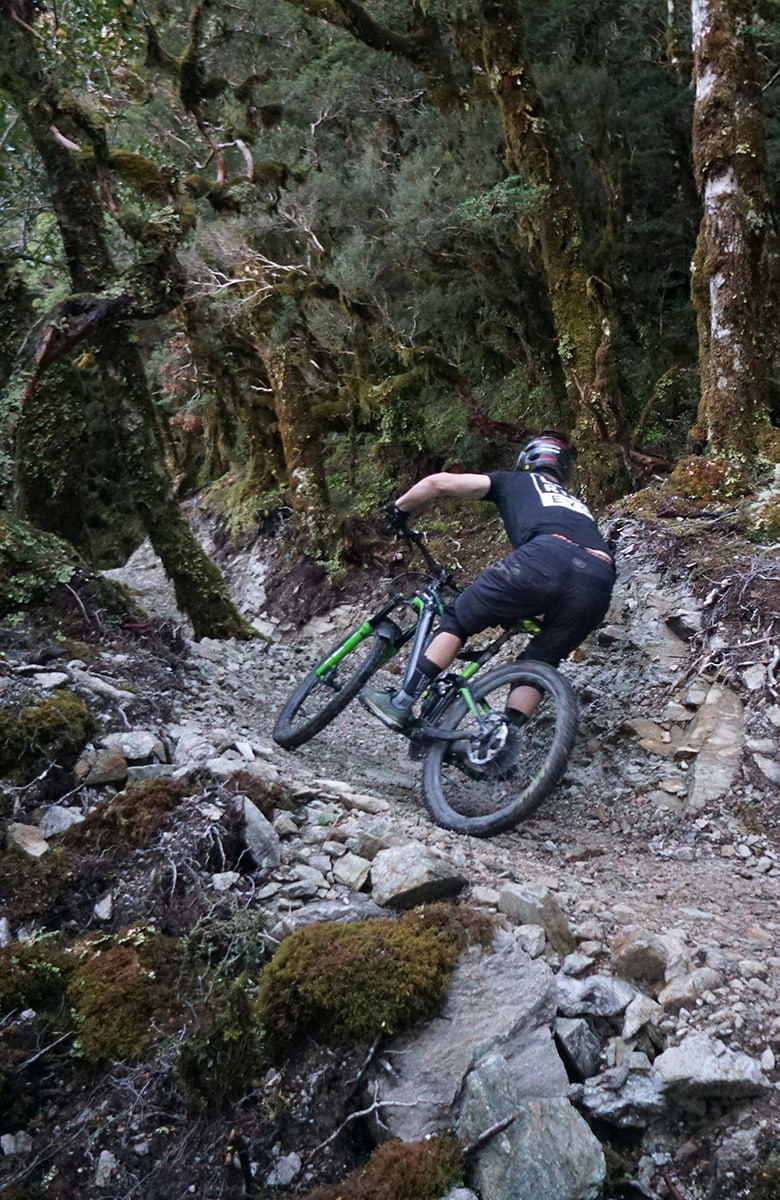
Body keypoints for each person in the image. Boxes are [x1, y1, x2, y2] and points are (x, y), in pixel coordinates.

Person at [362, 433, 616, 749]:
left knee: (457, 618)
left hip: (543, 558)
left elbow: (437, 483)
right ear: (563, 470)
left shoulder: (514, 482)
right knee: (543, 658)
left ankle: (401, 702)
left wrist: (399, 510)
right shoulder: (578, 507)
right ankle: (503, 742)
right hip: (598, 578)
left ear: (528, 460)